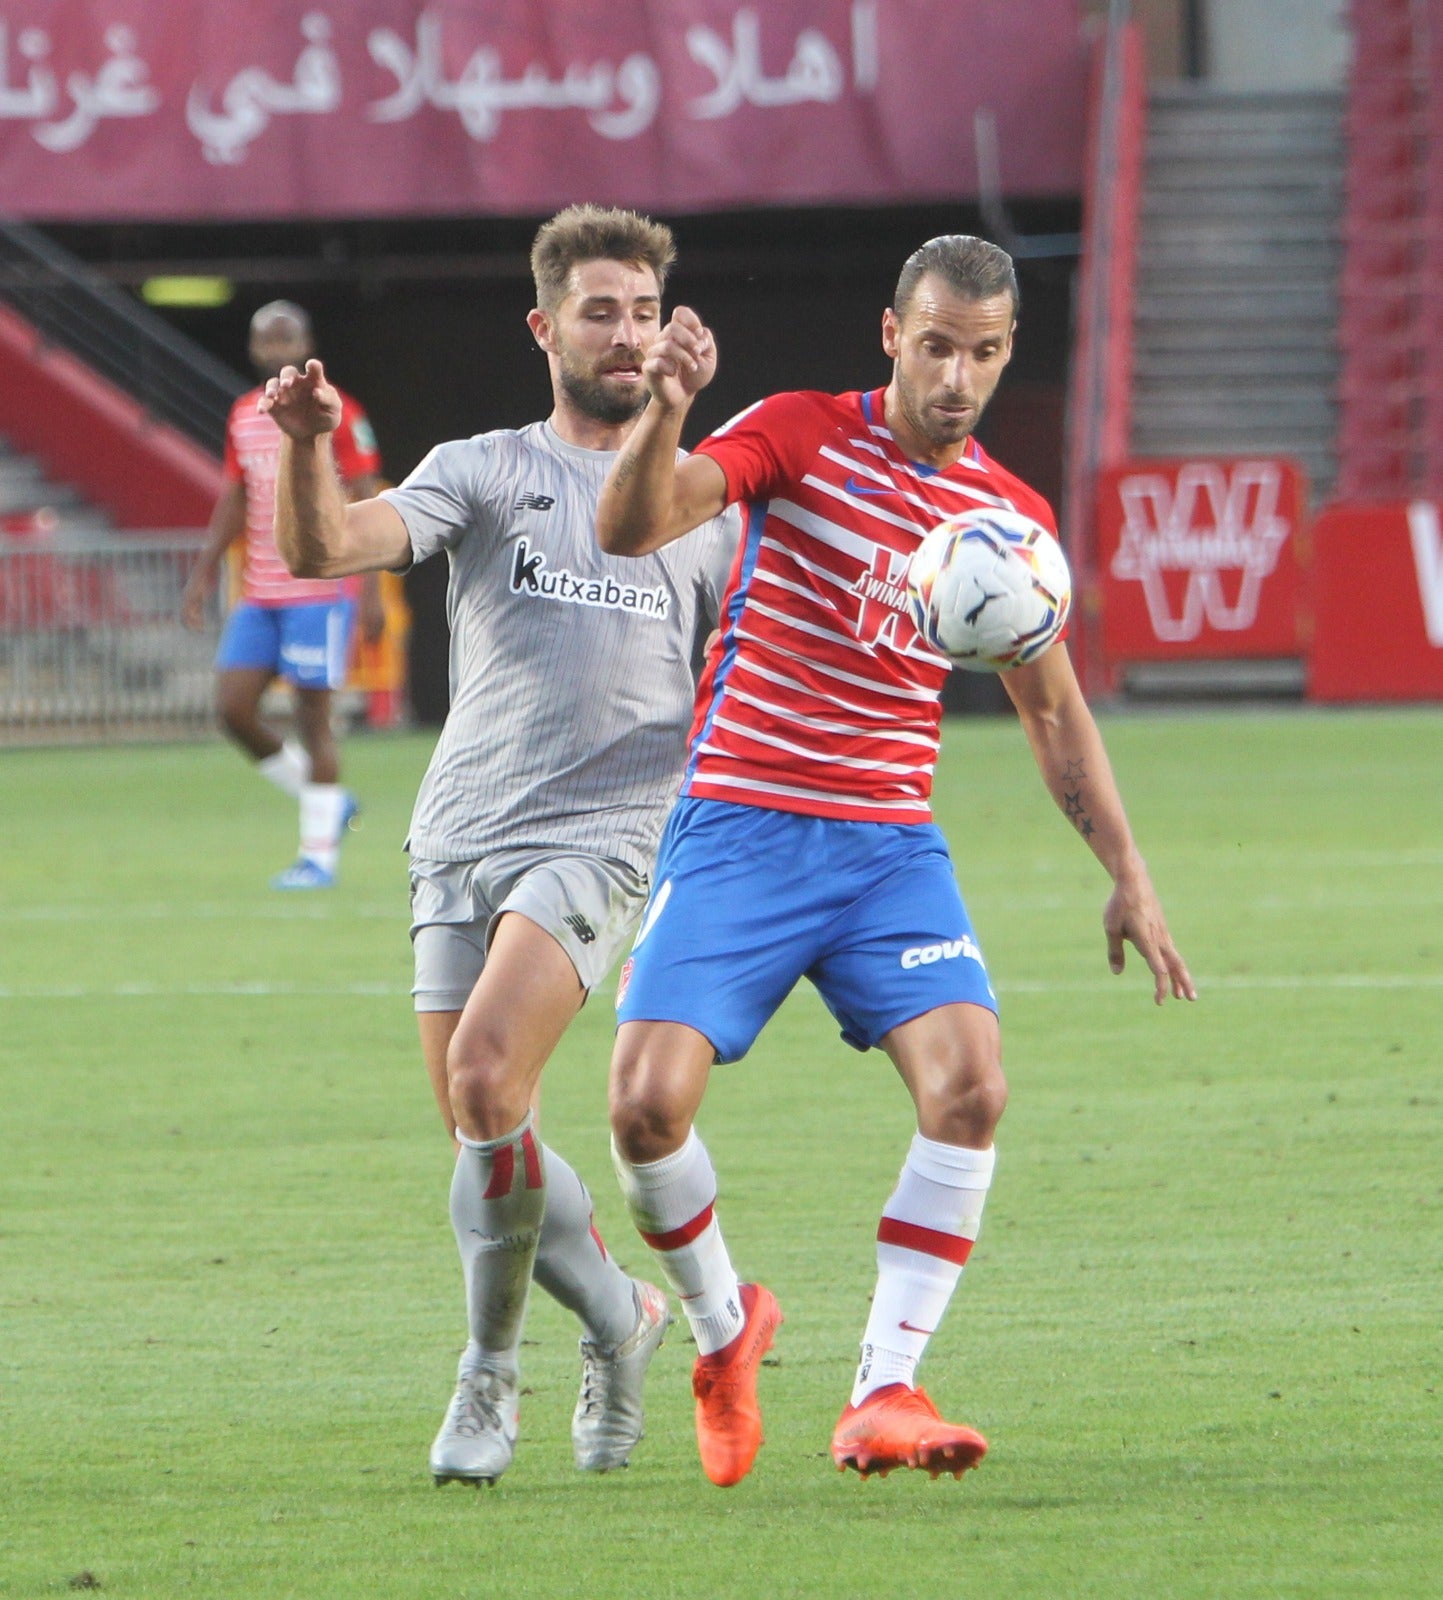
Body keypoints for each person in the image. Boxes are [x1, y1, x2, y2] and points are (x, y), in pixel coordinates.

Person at [594, 233, 1197, 1488]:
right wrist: (667, 409)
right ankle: (723, 1328)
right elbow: (632, 525)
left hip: (886, 845)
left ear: (1009, 351)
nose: (955, 377)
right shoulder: (800, 435)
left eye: (982, 352)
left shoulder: (1012, 527)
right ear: (891, 335)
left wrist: (1128, 869)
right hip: (742, 820)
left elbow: (1052, 710)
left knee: (971, 1085)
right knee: (644, 1107)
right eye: (935, 346)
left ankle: (884, 1388)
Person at [263, 206, 738, 1485]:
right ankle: (623, 1319)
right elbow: (323, 547)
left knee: (484, 1077)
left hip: (602, 837)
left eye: (644, 312)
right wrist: (306, 448)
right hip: (460, 830)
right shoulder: (480, 470)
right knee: (492, 1131)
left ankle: (486, 1375)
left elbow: (757, 664)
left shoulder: (704, 503)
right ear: (544, 327)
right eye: (600, 312)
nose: (627, 334)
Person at [181, 300, 383, 890]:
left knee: (313, 718)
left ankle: (317, 858)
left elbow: (367, 492)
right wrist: (204, 571)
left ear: (306, 343)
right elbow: (235, 495)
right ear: (252, 349)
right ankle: (327, 802)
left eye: (286, 338)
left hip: (319, 589)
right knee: (233, 709)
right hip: (260, 592)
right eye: (266, 341)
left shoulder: (336, 409)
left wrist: (372, 589)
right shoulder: (244, 413)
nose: (276, 350)